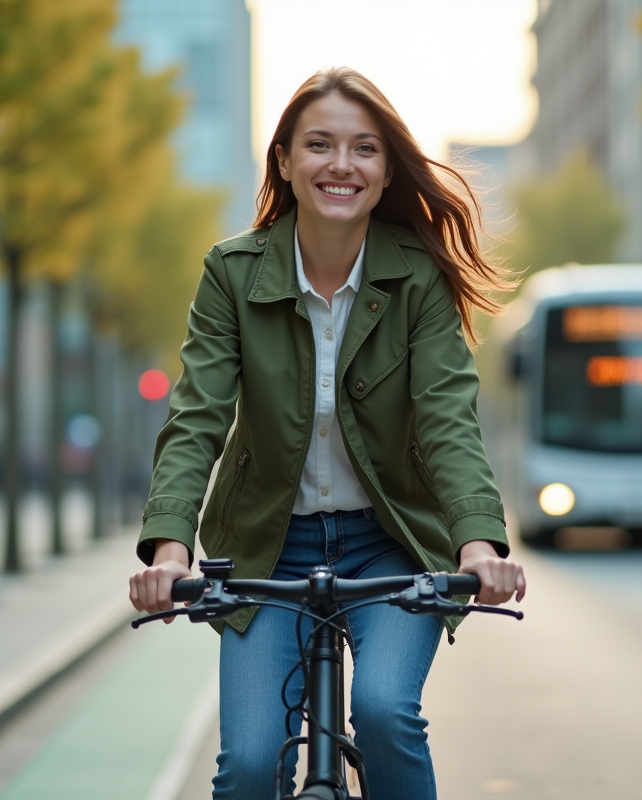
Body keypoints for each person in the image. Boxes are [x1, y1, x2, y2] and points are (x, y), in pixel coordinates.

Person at [128, 67, 525, 800]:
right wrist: (170, 548)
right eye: (319, 144)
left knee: (383, 712)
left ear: (384, 172)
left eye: (364, 149)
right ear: (284, 160)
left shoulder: (419, 278)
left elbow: (446, 418)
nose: (341, 164)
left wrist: (477, 541)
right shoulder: (232, 273)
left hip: (391, 543)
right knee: (249, 765)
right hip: (267, 548)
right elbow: (197, 417)